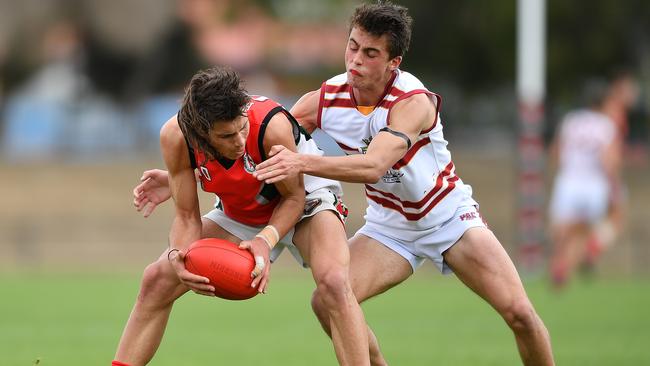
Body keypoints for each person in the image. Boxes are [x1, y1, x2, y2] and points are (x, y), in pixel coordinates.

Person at [253, 2, 555, 365]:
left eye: (370, 53)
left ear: (394, 62)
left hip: (446, 217)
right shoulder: (325, 99)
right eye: (352, 46)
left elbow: (374, 165)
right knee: (327, 300)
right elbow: (267, 132)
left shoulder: (413, 102)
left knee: (520, 314)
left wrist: (300, 161)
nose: (355, 60)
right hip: (389, 227)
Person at [112, 67, 370, 366]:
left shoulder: (270, 126)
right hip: (242, 208)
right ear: (199, 132)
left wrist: (265, 240)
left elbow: (293, 198)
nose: (238, 140)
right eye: (226, 135)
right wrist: (180, 256)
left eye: (241, 128)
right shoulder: (175, 137)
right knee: (157, 279)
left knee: (335, 283)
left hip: (305, 199)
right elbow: (186, 218)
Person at [547, 79, 622, 288]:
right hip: (594, 183)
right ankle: (588, 252)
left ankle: (559, 267)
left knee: (562, 230)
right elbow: (609, 160)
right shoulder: (606, 125)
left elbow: (556, 152)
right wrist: (613, 186)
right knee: (585, 230)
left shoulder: (571, 120)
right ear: (603, 102)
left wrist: (562, 172)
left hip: (569, 180)